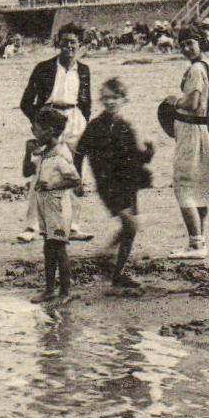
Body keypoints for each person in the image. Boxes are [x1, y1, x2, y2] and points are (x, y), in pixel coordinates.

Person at [17, 24, 93, 242]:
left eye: (73, 42)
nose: (69, 46)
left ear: (80, 45)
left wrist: (82, 121)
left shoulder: (84, 69)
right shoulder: (44, 68)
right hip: (49, 120)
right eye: (65, 41)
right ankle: (32, 226)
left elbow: (86, 102)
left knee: (74, 172)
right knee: (42, 170)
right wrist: (39, 123)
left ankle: (73, 226)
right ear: (58, 43)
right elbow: (25, 102)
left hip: (74, 121)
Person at [76, 78, 153, 291]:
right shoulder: (95, 126)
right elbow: (79, 152)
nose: (110, 102)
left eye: (115, 98)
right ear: (101, 100)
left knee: (130, 229)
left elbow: (136, 157)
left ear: (124, 100)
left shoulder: (125, 126)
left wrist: (148, 152)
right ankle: (107, 257)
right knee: (131, 225)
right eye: (106, 98)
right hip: (107, 184)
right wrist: (77, 180)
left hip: (128, 183)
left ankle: (114, 269)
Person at [165, 37, 209, 260]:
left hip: (192, 132)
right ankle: (199, 239)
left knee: (184, 185)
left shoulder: (196, 70)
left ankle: (196, 244)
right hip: (206, 131)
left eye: (190, 43)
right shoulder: (208, 65)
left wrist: (173, 102)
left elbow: (191, 103)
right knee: (201, 185)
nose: (186, 48)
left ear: (201, 43)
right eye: (182, 44)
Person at [23, 108, 81, 305]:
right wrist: (27, 152)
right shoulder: (44, 152)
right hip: (45, 206)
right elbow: (26, 172)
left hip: (57, 207)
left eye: (36, 129)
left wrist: (54, 185)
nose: (33, 132)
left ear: (49, 131)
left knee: (59, 249)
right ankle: (49, 289)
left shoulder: (60, 154)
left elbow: (75, 180)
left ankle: (66, 291)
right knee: (48, 248)